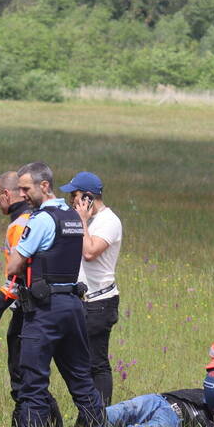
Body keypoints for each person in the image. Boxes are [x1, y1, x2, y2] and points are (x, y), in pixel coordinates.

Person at [5, 162, 107, 427]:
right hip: (73, 306)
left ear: (44, 186)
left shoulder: (40, 220)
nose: (22, 194)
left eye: (26, 188)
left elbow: (14, 265)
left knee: (32, 383)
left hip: (44, 310)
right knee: (81, 379)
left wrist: (18, 247)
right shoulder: (73, 217)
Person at [0, 170, 63, 427]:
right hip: (50, 307)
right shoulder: (40, 218)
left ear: (6, 195)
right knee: (37, 379)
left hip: (26, 311)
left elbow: (16, 274)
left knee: (23, 381)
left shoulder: (19, 225)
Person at [61, 171, 123, 405]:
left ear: (87, 198)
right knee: (79, 363)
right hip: (81, 299)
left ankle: (100, 416)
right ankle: (87, 414)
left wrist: (82, 221)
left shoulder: (109, 221)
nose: (71, 202)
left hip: (99, 302)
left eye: (74, 197)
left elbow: (89, 252)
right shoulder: (90, 220)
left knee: (96, 364)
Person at [106, 389, 214, 427]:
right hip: (160, 399)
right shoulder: (211, 389)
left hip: (175, 418)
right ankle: (91, 426)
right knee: (115, 412)